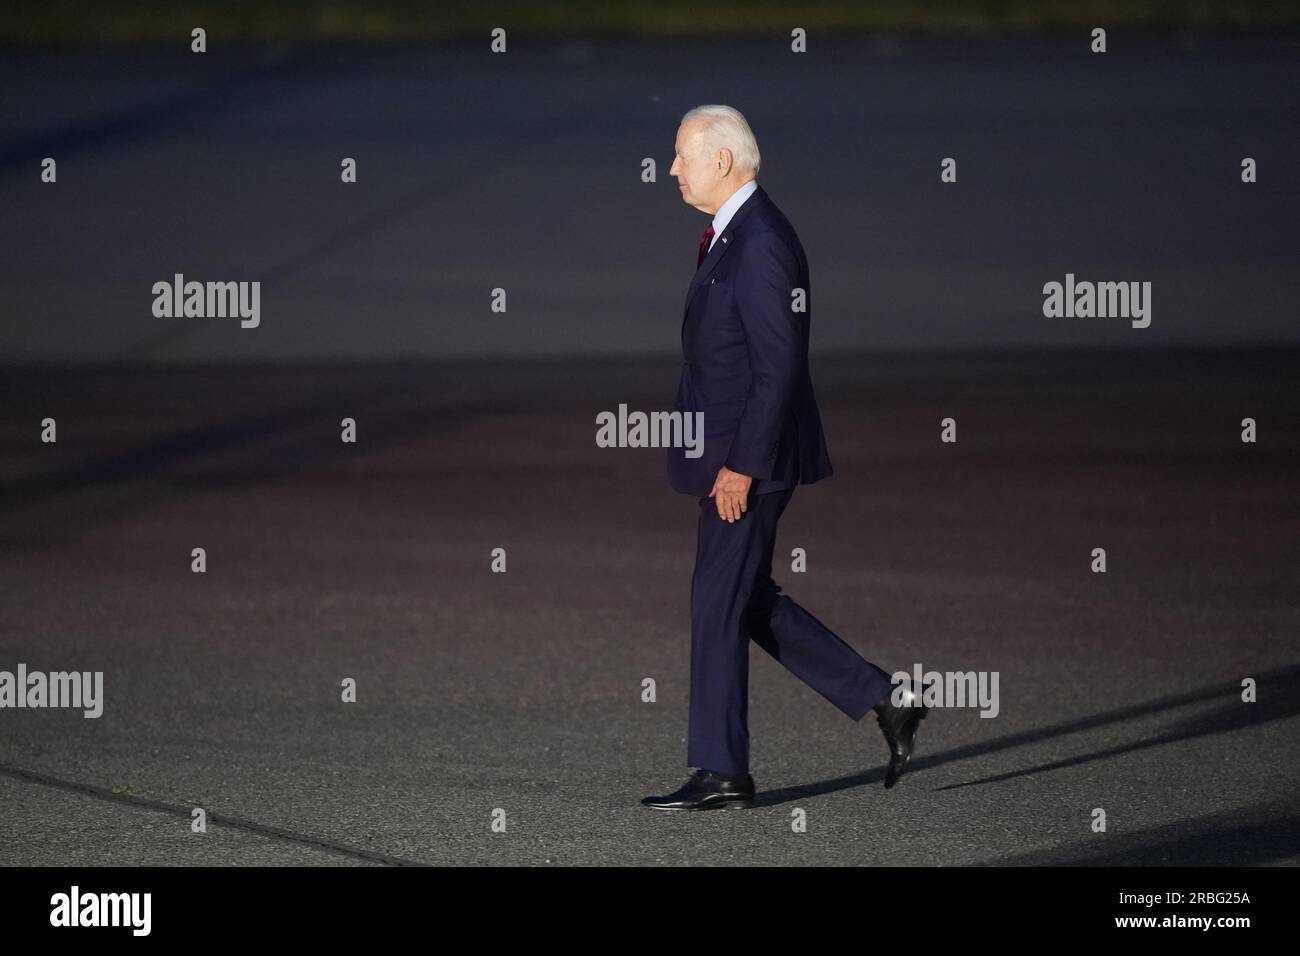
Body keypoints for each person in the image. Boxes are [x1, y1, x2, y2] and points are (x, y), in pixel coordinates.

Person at [642, 105, 929, 811]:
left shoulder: (762, 240)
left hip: (750, 456)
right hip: (738, 449)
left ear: (721, 160)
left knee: (717, 601)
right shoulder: (730, 233)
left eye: (681, 155)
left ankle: (723, 773)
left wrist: (740, 464)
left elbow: (779, 366)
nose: (671, 168)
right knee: (741, 596)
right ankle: (886, 699)